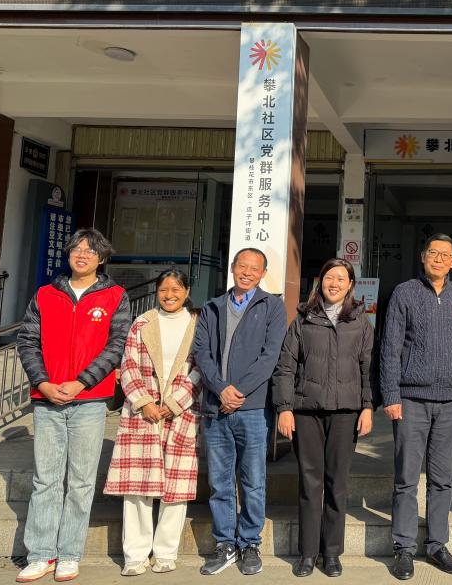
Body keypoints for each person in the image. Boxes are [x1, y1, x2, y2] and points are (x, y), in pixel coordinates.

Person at [15, 229, 130, 583]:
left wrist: (82, 381)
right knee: (45, 479)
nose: (82, 255)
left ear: (102, 258)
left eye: (90, 251)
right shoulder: (45, 294)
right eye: (77, 249)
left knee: (80, 481)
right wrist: (43, 383)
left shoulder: (115, 296)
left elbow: (117, 345)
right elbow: (27, 341)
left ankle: (68, 554)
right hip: (47, 399)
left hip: (90, 400)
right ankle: (41, 554)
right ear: (68, 255)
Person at [379, 234, 452, 580]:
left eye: (445, 255)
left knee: (442, 479)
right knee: (406, 478)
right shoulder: (405, 293)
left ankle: (437, 545)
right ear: (423, 256)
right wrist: (391, 395)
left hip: (450, 400)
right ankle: (404, 548)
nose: (438, 259)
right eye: (433, 252)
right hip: (411, 399)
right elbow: (390, 347)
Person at [272, 258, 375, 578]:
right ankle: (307, 553)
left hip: (346, 412)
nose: (334, 283)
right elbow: (285, 366)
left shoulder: (360, 322)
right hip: (307, 412)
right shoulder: (303, 319)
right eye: (329, 277)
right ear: (320, 281)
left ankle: (331, 553)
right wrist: (284, 408)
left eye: (341, 278)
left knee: (336, 483)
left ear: (350, 285)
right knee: (310, 483)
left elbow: (368, 368)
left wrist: (368, 406)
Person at [192, 248, 287, 576]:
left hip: (253, 408)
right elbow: (202, 352)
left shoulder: (272, 306)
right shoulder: (213, 307)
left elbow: (270, 356)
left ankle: (249, 543)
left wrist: (239, 392)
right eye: (242, 266)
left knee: (253, 480)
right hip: (216, 406)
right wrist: (221, 389)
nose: (247, 272)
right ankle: (225, 543)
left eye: (254, 268)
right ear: (232, 268)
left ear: (263, 274)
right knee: (219, 481)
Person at [104, 269, 202, 575]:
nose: (169, 295)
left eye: (176, 289)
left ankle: (165, 553)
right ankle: (135, 555)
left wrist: (174, 403)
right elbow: (128, 364)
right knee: (137, 487)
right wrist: (144, 402)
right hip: (142, 414)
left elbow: (201, 368)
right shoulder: (142, 322)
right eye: (163, 290)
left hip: (181, 412)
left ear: (187, 291)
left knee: (176, 487)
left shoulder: (198, 324)